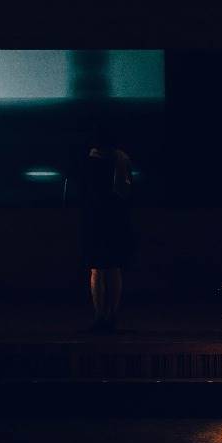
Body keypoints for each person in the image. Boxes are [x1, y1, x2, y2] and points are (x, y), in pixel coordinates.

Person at [75, 133, 134, 332]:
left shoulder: (89, 162)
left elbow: (83, 193)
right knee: (113, 269)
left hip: (95, 221)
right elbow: (126, 192)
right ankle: (112, 315)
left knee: (97, 270)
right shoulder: (122, 160)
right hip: (116, 221)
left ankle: (100, 315)